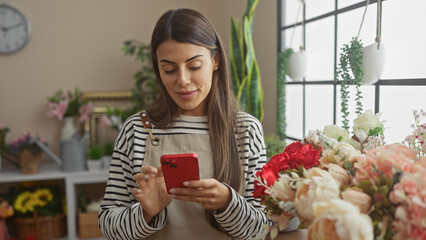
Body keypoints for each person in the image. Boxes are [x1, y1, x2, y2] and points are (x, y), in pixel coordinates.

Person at [98, 8, 270, 240]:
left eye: (194, 66)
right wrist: (147, 212)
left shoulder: (246, 130)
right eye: (169, 69)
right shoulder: (137, 130)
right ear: (157, 67)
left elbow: (261, 230)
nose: (182, 80)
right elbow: (109, 227)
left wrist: (227, 202)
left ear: (215, 60)